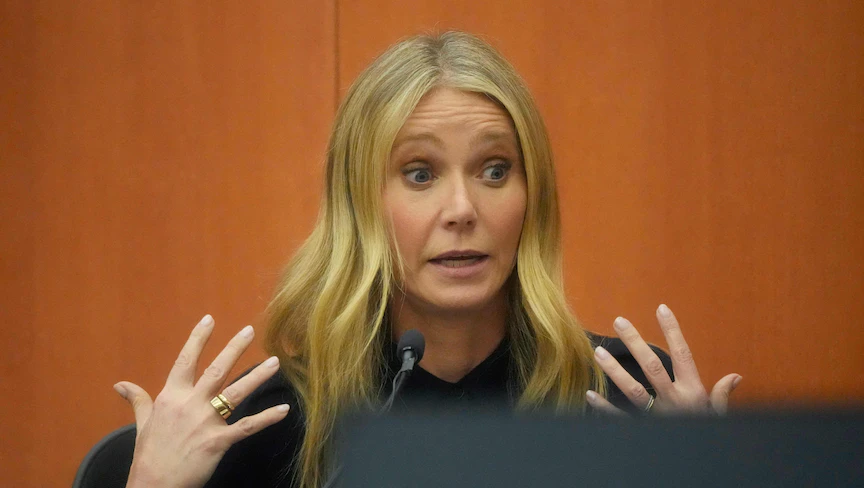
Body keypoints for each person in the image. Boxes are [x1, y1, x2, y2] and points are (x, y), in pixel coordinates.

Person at [112, 31, 742, 488]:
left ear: (533, 197)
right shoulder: (263, 428)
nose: (462, 208)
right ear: (359, 203)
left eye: (495, 170)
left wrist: (714, 475)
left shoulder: (629, 404)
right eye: (420, 173)